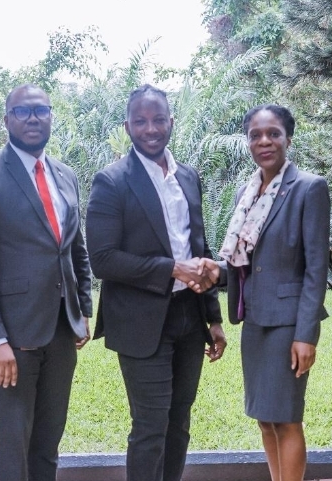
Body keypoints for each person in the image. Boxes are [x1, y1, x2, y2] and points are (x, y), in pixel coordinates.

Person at [85, 84, 227, 481]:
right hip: (140, 320)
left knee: (179, 422)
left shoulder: (188, 177)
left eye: (159, 119)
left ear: (171, 122)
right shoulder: (111, 181)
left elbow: (199, 248)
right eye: (141, 121)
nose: (151, 129)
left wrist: (213, 318)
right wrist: (171, 269)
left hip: (189, 317)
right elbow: (102, 259)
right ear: (127, 126)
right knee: (150, 427)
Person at [0, 84, 93, 481]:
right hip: (12, 337)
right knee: (15, 441)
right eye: (22, 111)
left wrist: (83, 308)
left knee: (48, 440)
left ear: (50, 116)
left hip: (61, 330)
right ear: (7, 120)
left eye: (40, 110)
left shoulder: (65, 175)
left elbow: (75, 248)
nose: (32, 118)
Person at [215, 104, 330, 481]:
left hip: (288, 323)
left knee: (286, 418)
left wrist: (306, 335)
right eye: (255, 135)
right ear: (248, 141)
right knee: (265, 418)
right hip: (255, 320)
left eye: (273, 133)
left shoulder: (309, 188)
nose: (264, 141)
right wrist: (211, 272)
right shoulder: (245, 193)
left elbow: (316, 268)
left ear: (288, 139)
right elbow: (243, 262)